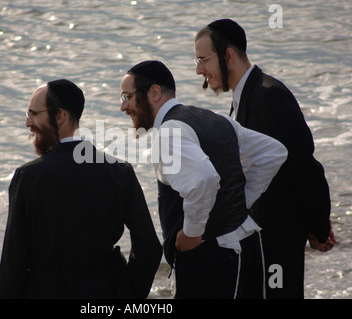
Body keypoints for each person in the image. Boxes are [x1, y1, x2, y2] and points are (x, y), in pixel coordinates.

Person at [193, 19, 337, 298]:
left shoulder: (269, 96)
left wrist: (317, 228)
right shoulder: (243, 97)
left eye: (202, 59)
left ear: (228, 56)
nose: (199, 70)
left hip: (278, 240)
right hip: (258, 240)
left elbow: (303, 166)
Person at [120, 60, 288, 298]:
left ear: (154, 92)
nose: (123, 107)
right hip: (248, 245)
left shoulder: (168, 132)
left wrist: (192, 232)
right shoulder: (216, 118)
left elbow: (203, 179)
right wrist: (244, 201)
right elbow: (273, 152)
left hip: (214, 259)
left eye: (127, 96)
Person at [0, 79, 162, 299]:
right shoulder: (119, 172)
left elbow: (14, 261)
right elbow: (149, 248)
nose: (28, 123)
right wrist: (128, 294)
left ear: (60, 116)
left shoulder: (28, 177)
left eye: (34, 114)